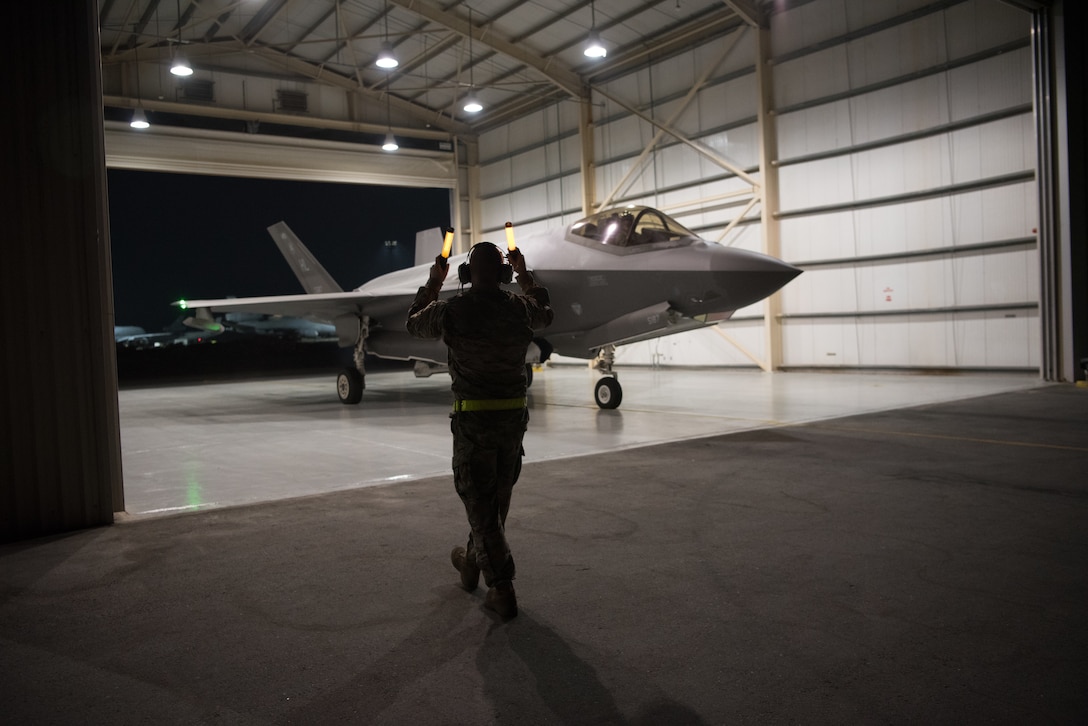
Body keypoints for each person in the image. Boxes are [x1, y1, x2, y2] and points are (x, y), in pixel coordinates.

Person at [406, 241, 553, 619]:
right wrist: (524, 274)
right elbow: (546, 314)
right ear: (504, 275)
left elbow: (413, 322)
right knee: (495, 501)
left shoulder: (452, 310)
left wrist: (433, 282)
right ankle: (471, 563)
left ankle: (501, 588)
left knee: (479, 503)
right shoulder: (521, 308)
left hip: (474, 423)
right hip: (513, 422)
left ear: (467, 276)